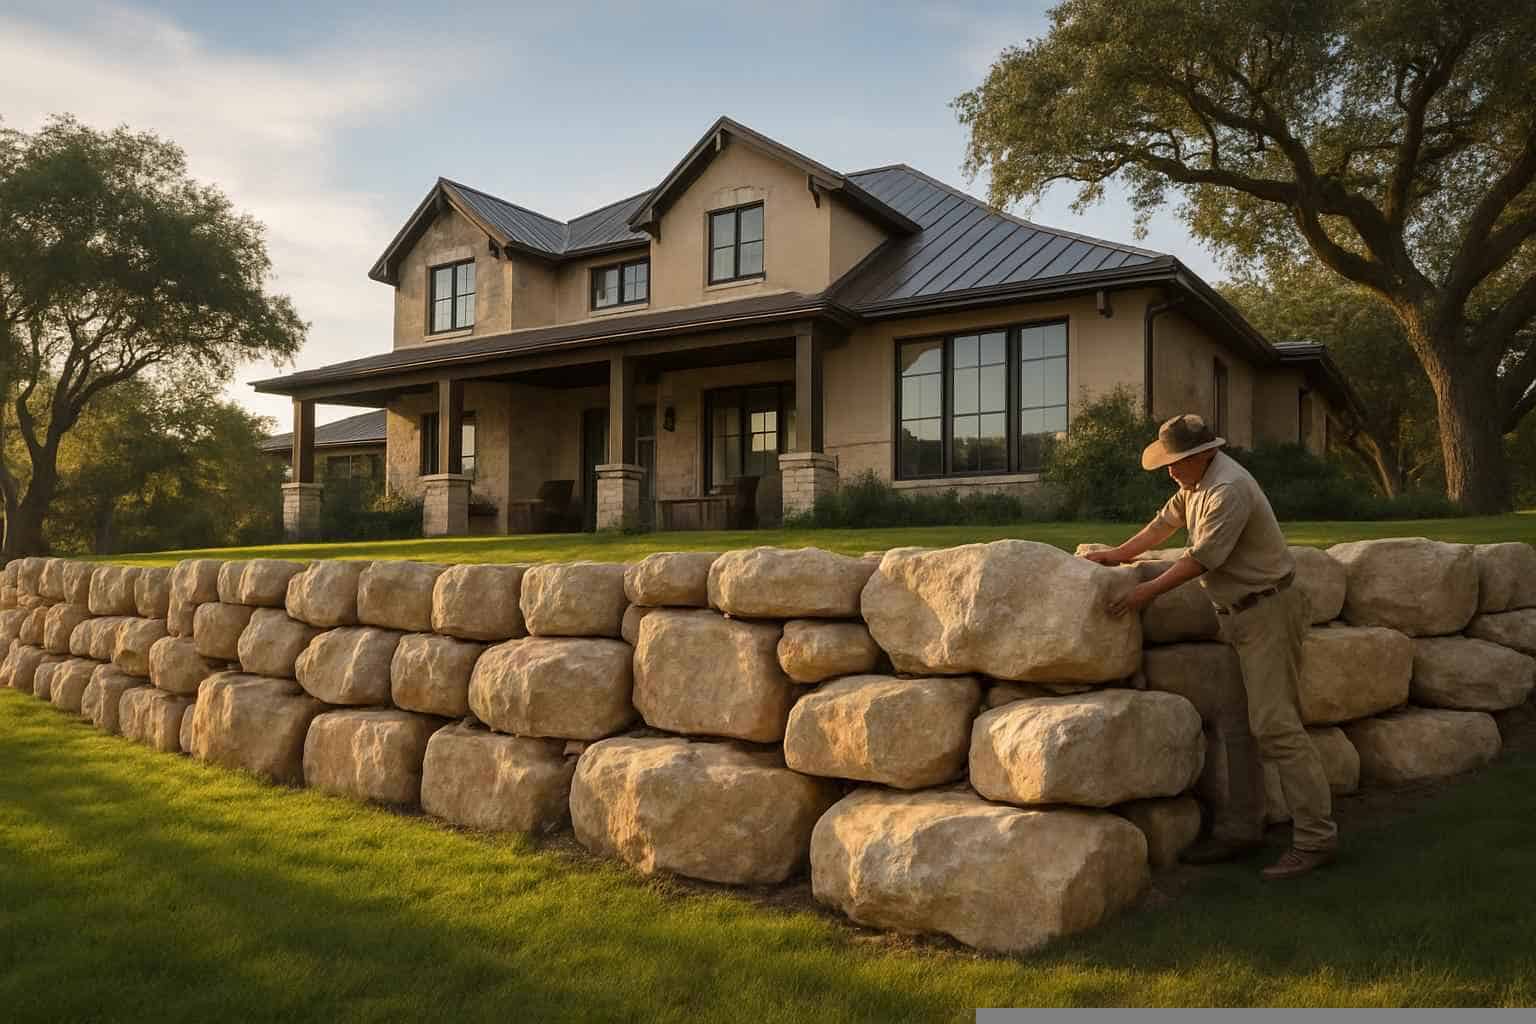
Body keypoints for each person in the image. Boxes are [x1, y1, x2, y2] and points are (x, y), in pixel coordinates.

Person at [1082, 413, 1338, 880]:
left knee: (1276, 726)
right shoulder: (1196, 484)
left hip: (1268, 613)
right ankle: (1242, 831)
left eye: (1176, 463)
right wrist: (1118, 555)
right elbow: (1165, 523)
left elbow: (1200, 559)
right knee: (1240, 725)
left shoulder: (1228, 490)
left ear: (1203, 454)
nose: (1169, 471)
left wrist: (1141, 594)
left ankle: (1316, 839)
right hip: (1237, 616)